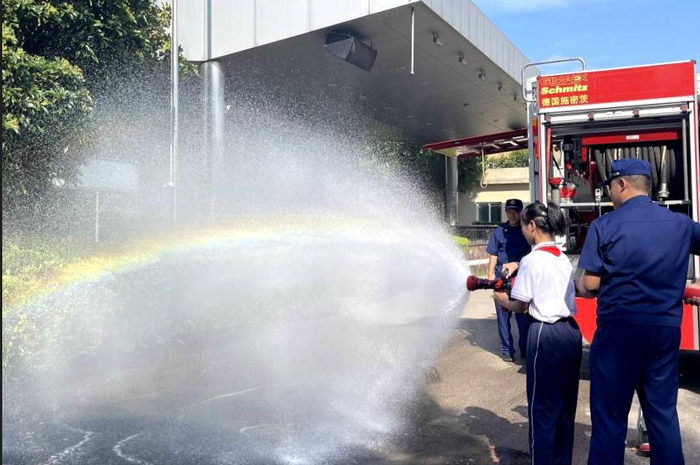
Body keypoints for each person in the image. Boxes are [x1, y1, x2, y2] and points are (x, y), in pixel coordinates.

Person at [576, 158, 700, 465]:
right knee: (662, 417)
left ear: (622, 184)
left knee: (609, 420)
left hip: (618, 333)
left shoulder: (604, 225)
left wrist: (580, 285)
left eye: (610, 187)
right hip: (664, 332)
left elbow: (590, 284)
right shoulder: (681, 224)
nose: (609, 194)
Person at [494, 202, 581, 465]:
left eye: (523, 225)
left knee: (541, 408)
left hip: (544, 333)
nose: (522, 230)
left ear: (532, 225)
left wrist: (502, 300)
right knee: (565, 408)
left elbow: (520, 304)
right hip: (571, 332)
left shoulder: (531, 261)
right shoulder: (563, 257)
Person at [486, 198, 531, 362]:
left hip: (520, 280)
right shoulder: (499, 231)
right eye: (509, 211)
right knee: (503, 319)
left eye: (516, 211)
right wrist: (490, 276)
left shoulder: (527, 230)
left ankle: (525, 349)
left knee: (523, 317)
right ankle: (506, 350)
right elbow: (493, 254)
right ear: (505, 212)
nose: (513, 215)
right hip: (501, 280)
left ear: (521, 212)